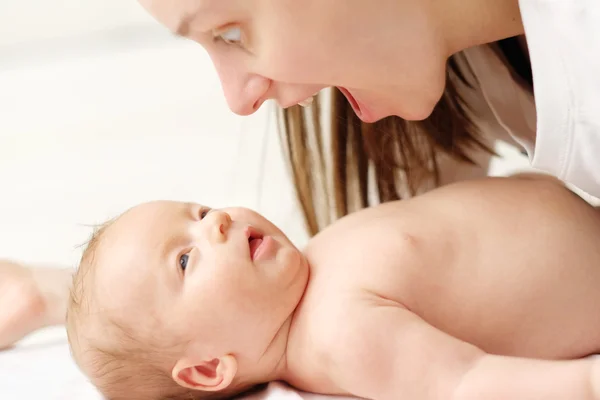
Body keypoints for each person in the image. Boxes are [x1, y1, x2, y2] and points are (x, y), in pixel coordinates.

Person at [2, 0, 599, 350]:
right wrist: (67, 298)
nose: (238, 98)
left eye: (231, 33)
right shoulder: (465, 70)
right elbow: (381, 282)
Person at [66, 173, 600, 400]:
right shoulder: (338, 335)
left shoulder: (310, 269)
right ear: (209, 368)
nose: (217, 223)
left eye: (200, 212)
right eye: (185, 260)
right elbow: (463, 384)